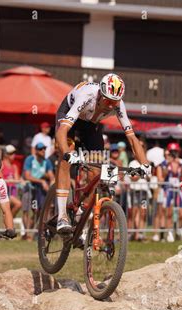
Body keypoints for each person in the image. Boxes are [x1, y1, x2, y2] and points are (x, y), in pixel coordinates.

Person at [54, 73, 151, 234]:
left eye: (115, 102)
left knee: (97, 170)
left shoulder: (118, 105)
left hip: (91, 125)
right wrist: (66, 153)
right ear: (100, 94)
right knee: (66, 156)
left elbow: (132, 139)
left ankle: (82, 212)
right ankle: (62, 216)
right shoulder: (86, 96)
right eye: (108, 101)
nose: (111, 106)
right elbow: (63, 130)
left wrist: (145, 164)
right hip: (69, 116)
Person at [22, 142, 55, 237]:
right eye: (41, 149)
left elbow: (51, 176)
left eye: (44, 149)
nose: (43, 151)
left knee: (38, 211)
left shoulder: (46, 161)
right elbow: (27, 176)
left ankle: (31, 233)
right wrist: (41, 181)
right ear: (36, 150)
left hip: (39, 190)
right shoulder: (30, 159)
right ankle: (27, 233)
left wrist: (52, 183)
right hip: (28, 187)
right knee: (26, 210)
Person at [1, 145, 23, 216]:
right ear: (5, 154)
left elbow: (17, 179)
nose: (14, 155)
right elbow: (0, 179)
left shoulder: (14, 167)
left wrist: (21, 180)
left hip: (13, 191)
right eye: (11, 153)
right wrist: (12, 181)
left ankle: (7, 224)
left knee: (9, 212)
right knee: (18, 204)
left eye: (14, 153)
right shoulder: (1, 165)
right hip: (6, 192)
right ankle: (10, 222)